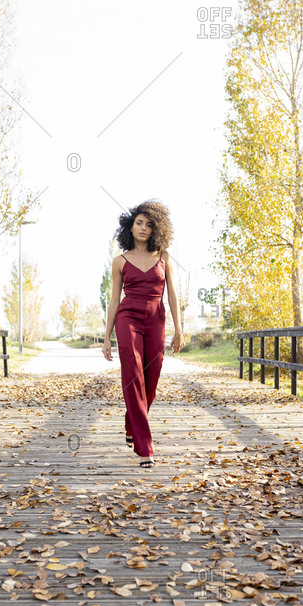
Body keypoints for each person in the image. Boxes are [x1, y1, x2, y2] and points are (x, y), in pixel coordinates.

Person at [102, 200, 185, 468]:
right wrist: (106, 338)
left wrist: (179, 329)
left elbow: (172, 295)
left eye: (149, 225)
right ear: (130, 225)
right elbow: (114, 301)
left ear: (156, 230)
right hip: (128, 318)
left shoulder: (164, 257)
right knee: (133, 374)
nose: (143, 228)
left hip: (156, 320)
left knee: (151, 380)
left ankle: (131, 424)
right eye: (139, 222)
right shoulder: (119, 261)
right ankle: (145, 447)